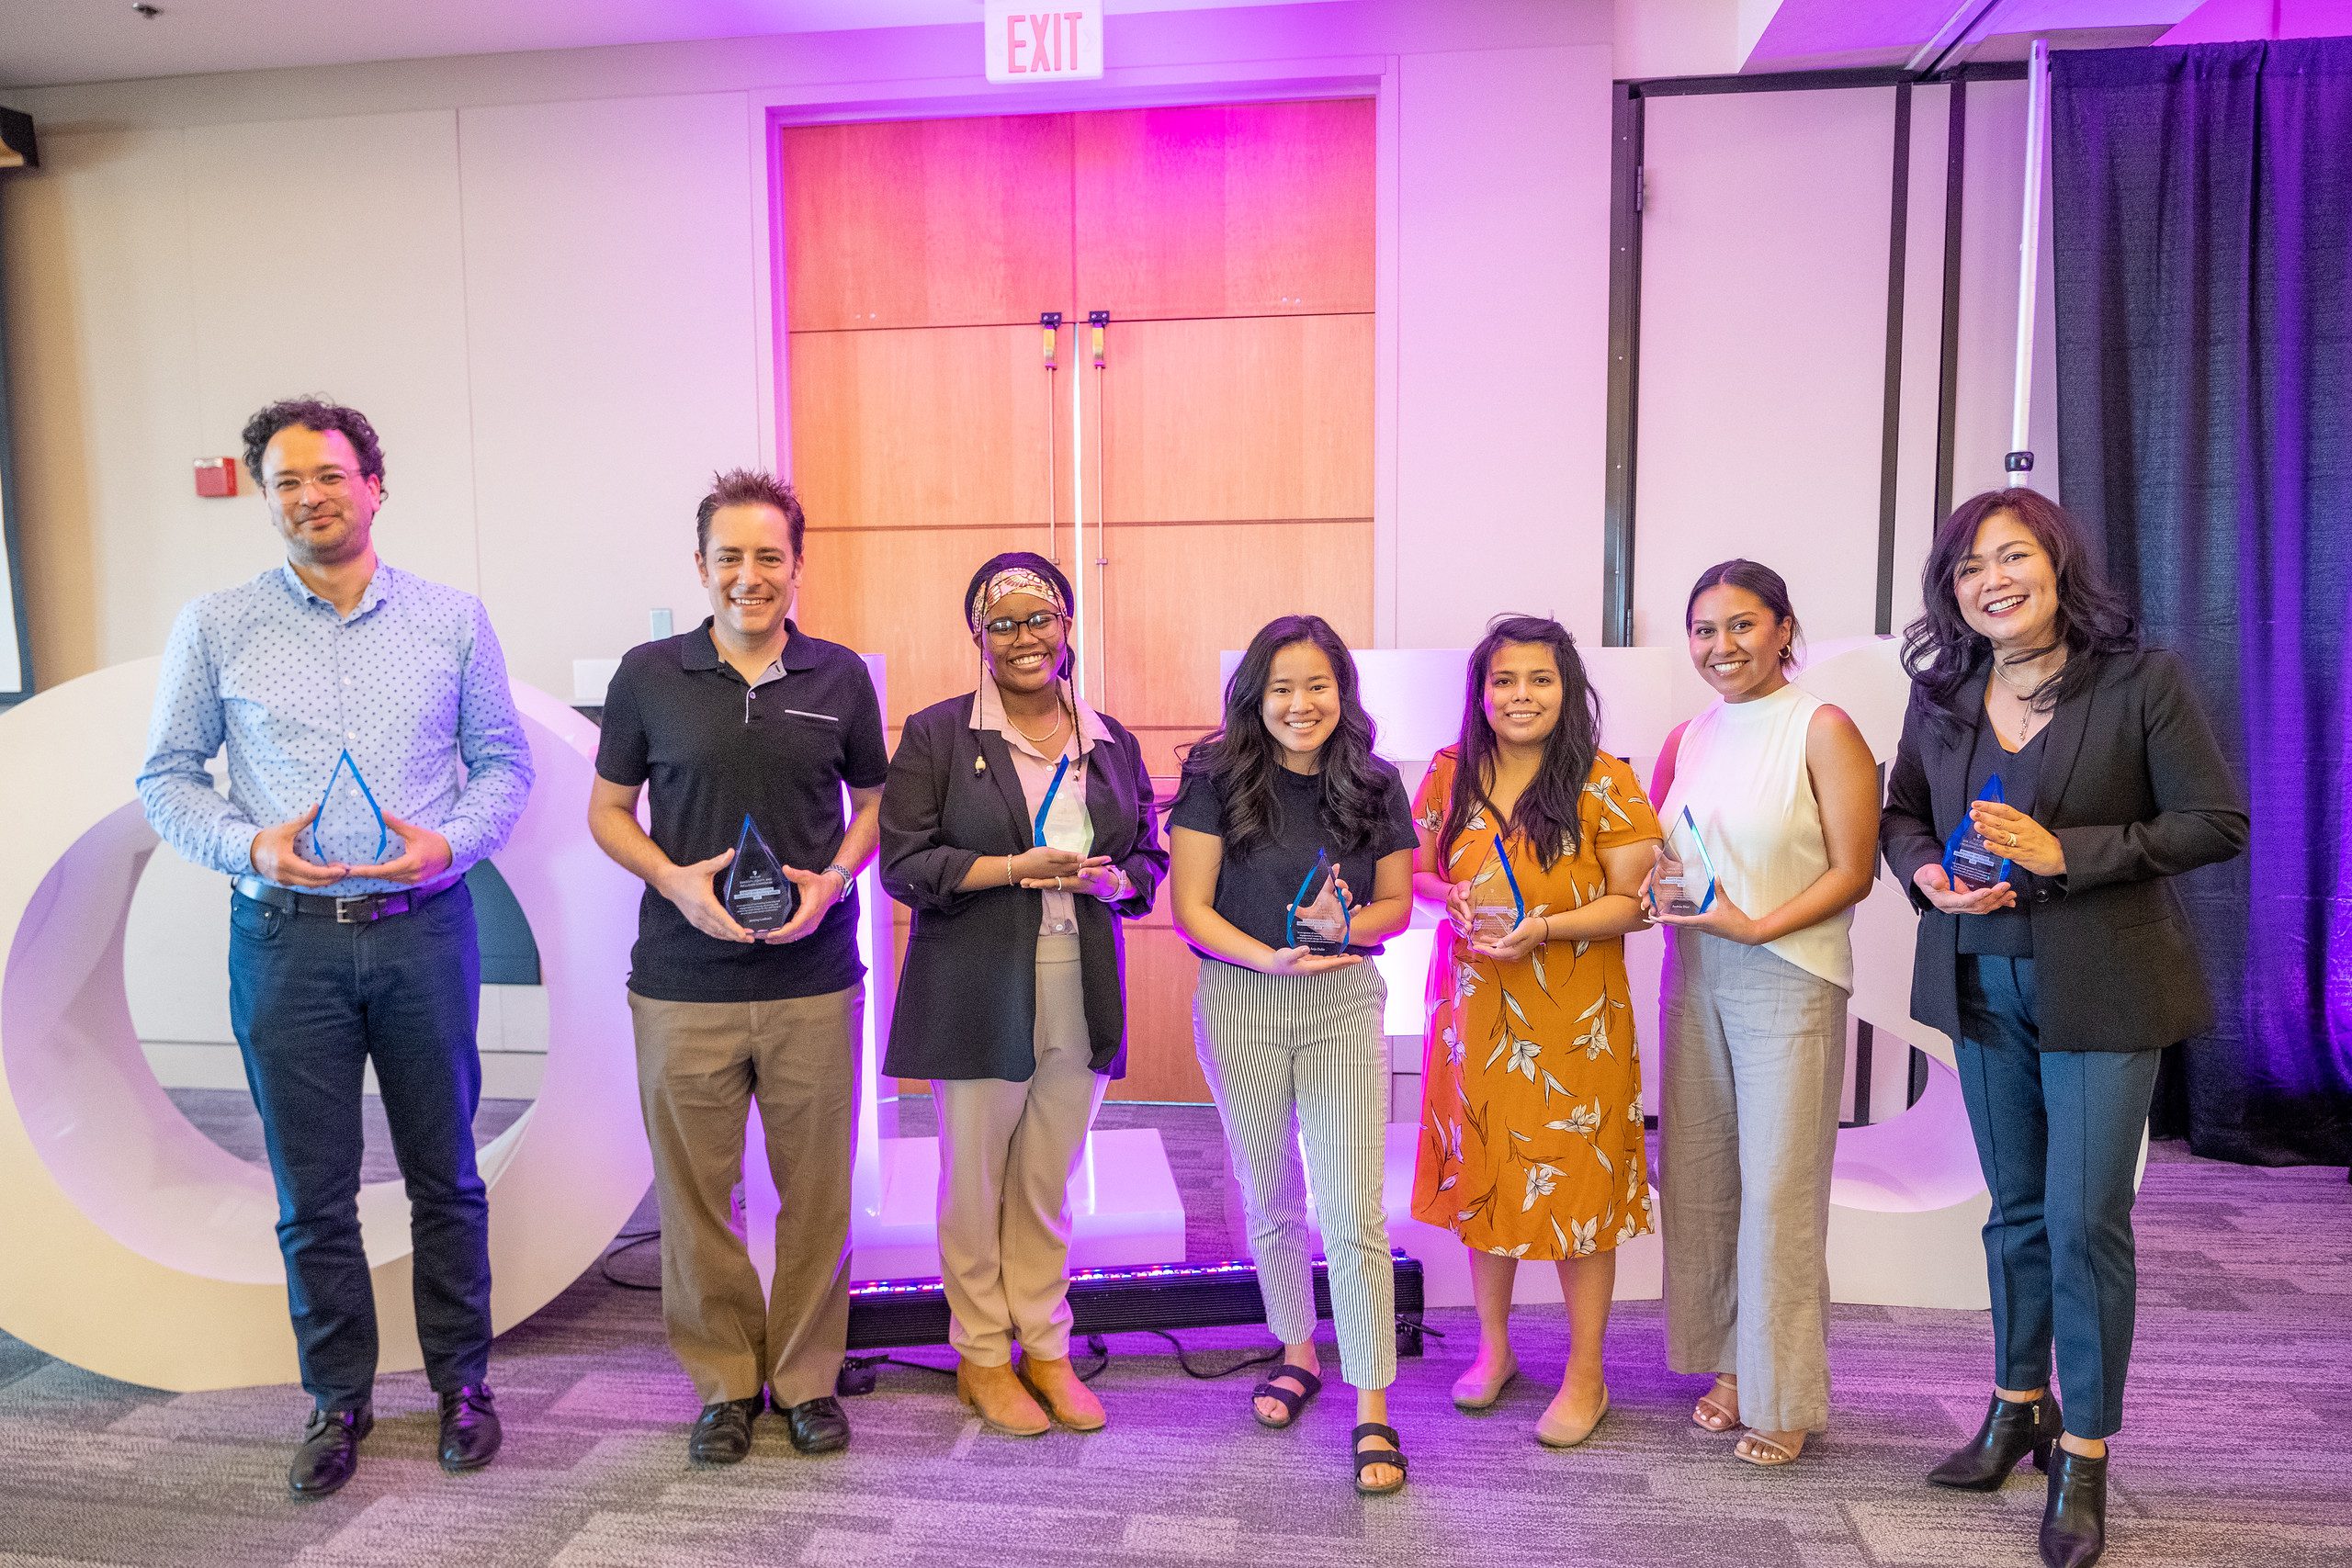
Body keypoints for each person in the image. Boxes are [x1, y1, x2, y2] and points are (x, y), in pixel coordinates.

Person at [136, 398, 532, 1497]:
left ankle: (462, 1385)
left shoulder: (451, 620)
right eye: (285, 483)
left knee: (445, 1176)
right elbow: (165, 777)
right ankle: (337, 1400)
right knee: (313, 1192)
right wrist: (246, 842)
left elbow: (503, 762)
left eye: (328, 475)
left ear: (374, 485)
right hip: (284, 939)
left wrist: (449, 840)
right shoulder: (215, 624)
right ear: (266, 499)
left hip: (423, 932)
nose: (308, 496)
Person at [1882, 490, 2246, 1568]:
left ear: (2056, 563)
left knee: (2087, 1223)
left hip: (2104, 986)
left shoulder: (2143, 680)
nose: (1991, 580)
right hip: (1983, 980)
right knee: (2017, 1213)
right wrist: (1929, 874)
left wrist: (2063, 854)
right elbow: (1903, 813)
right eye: (1967, 568)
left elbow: (2213, 823)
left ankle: (2082, 1454)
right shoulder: (1944, 692)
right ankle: (2014, 1409)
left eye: (2012, 556)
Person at [586, 470, 886, 1464]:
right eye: (730, 557)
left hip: (811, 985)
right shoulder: (647, 675)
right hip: (681, 985)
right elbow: (607, 812)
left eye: (769, 557)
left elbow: (874, 802)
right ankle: (722, 1384)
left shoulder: (840, 678)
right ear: (702, 566)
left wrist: (837, 878)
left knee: (817, 1196)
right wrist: (673, 882)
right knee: (695, 1197)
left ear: (797, 566)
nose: (749, 576)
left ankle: (804, 1381)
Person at [879, 553, 1166, 1438]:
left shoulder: (1108, 738)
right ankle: (983, 1356)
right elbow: (904, 864)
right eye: (1001, 623)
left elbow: (1149, 859)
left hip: (1080, 984)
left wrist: (1119, 884)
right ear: (978, 637)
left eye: (1038, 619)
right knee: (973, 1186)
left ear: (1066, 626)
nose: (1023, 638)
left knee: (1044, 1182)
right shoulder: (936, 736)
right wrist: (1012, 869)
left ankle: (1047, 1346)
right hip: (976, 985)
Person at [1167, 615, 1418, 1495]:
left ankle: (1372, 1403)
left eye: (1317, 685)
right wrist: (1263, 956)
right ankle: (1298, 1347)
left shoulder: (1376, 782)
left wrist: (1348, 924)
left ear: (1341, 691)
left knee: (1352, 1207)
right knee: (1270, 1193)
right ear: (1255, 697)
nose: (1300, 703)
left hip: (1344, 997)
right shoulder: (1215, 775)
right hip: (1241, 996)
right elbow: (1188, 906)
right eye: (1281, 687)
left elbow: (1399, 906)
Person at [1646, 562, 1879, 1467]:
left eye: (1741, 626)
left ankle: (1784, 1394)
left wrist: (1755, 923)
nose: (1720, 647)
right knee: (1702, 1180)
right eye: (1703, 630)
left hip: (1786, 973)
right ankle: (1730, 1366)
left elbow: (1851, 870)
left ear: (1784, 628)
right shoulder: (1686, 737)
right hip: (1693, 973)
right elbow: (1668, 857)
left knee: (1780, 1191)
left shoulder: (1822, 728)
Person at [1409, 615, 1660, 1450]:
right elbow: (1411, 870)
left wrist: (1545, 927)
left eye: (1540, 680)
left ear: (1568, 688)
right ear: (1481, 692)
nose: (1521, 696)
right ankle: (1495, 1348)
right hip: (1473, 1015)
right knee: (1489, 1177)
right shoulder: (1449, 775)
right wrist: (1444, 896)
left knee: (1577, 1194)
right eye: (1504, 681)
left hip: (1574, 1023)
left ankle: (1586, 1373)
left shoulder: (1604, 778)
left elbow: (1634, 904)